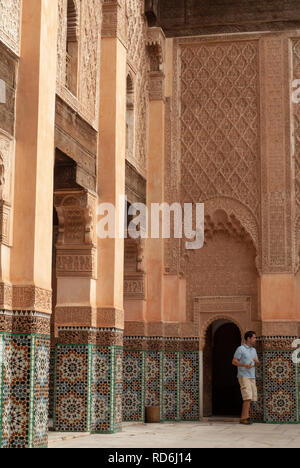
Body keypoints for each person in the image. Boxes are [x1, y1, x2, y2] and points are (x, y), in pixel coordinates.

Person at [232, 331, 259, 425]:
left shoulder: (253, 350)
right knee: (247, 397)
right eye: (254, 337)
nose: (255, 339)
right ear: (248, 338)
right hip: (244, 376)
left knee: (252, 397)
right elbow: (234, 361)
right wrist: (244, 365)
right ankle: (244, 418)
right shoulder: (240, 349)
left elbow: (257, 362)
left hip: (252, 376)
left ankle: (246, 417)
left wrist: (256, 361)